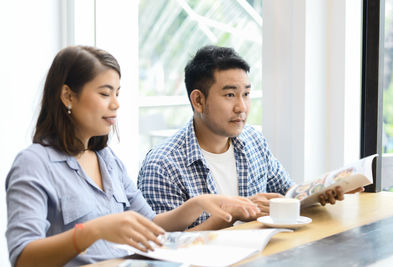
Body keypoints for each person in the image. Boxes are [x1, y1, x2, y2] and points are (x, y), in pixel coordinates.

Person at [5, 46, 260, 267]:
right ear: (68, 96)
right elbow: (23, 258)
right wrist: (92, 231)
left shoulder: (107, 160)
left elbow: (153, 226)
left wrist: (198, 204)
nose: (116, 104)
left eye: (117, 93)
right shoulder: (34, 163)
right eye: (105, 94)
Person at [137, 45, 363, 230]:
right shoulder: (162, 165)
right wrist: (228, 215)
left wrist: (321, 193)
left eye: (246, 94)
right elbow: (162, 248)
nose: (241, 107)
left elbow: (287, 193)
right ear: (198, 101)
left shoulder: (253, 140)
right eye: (230, 95)